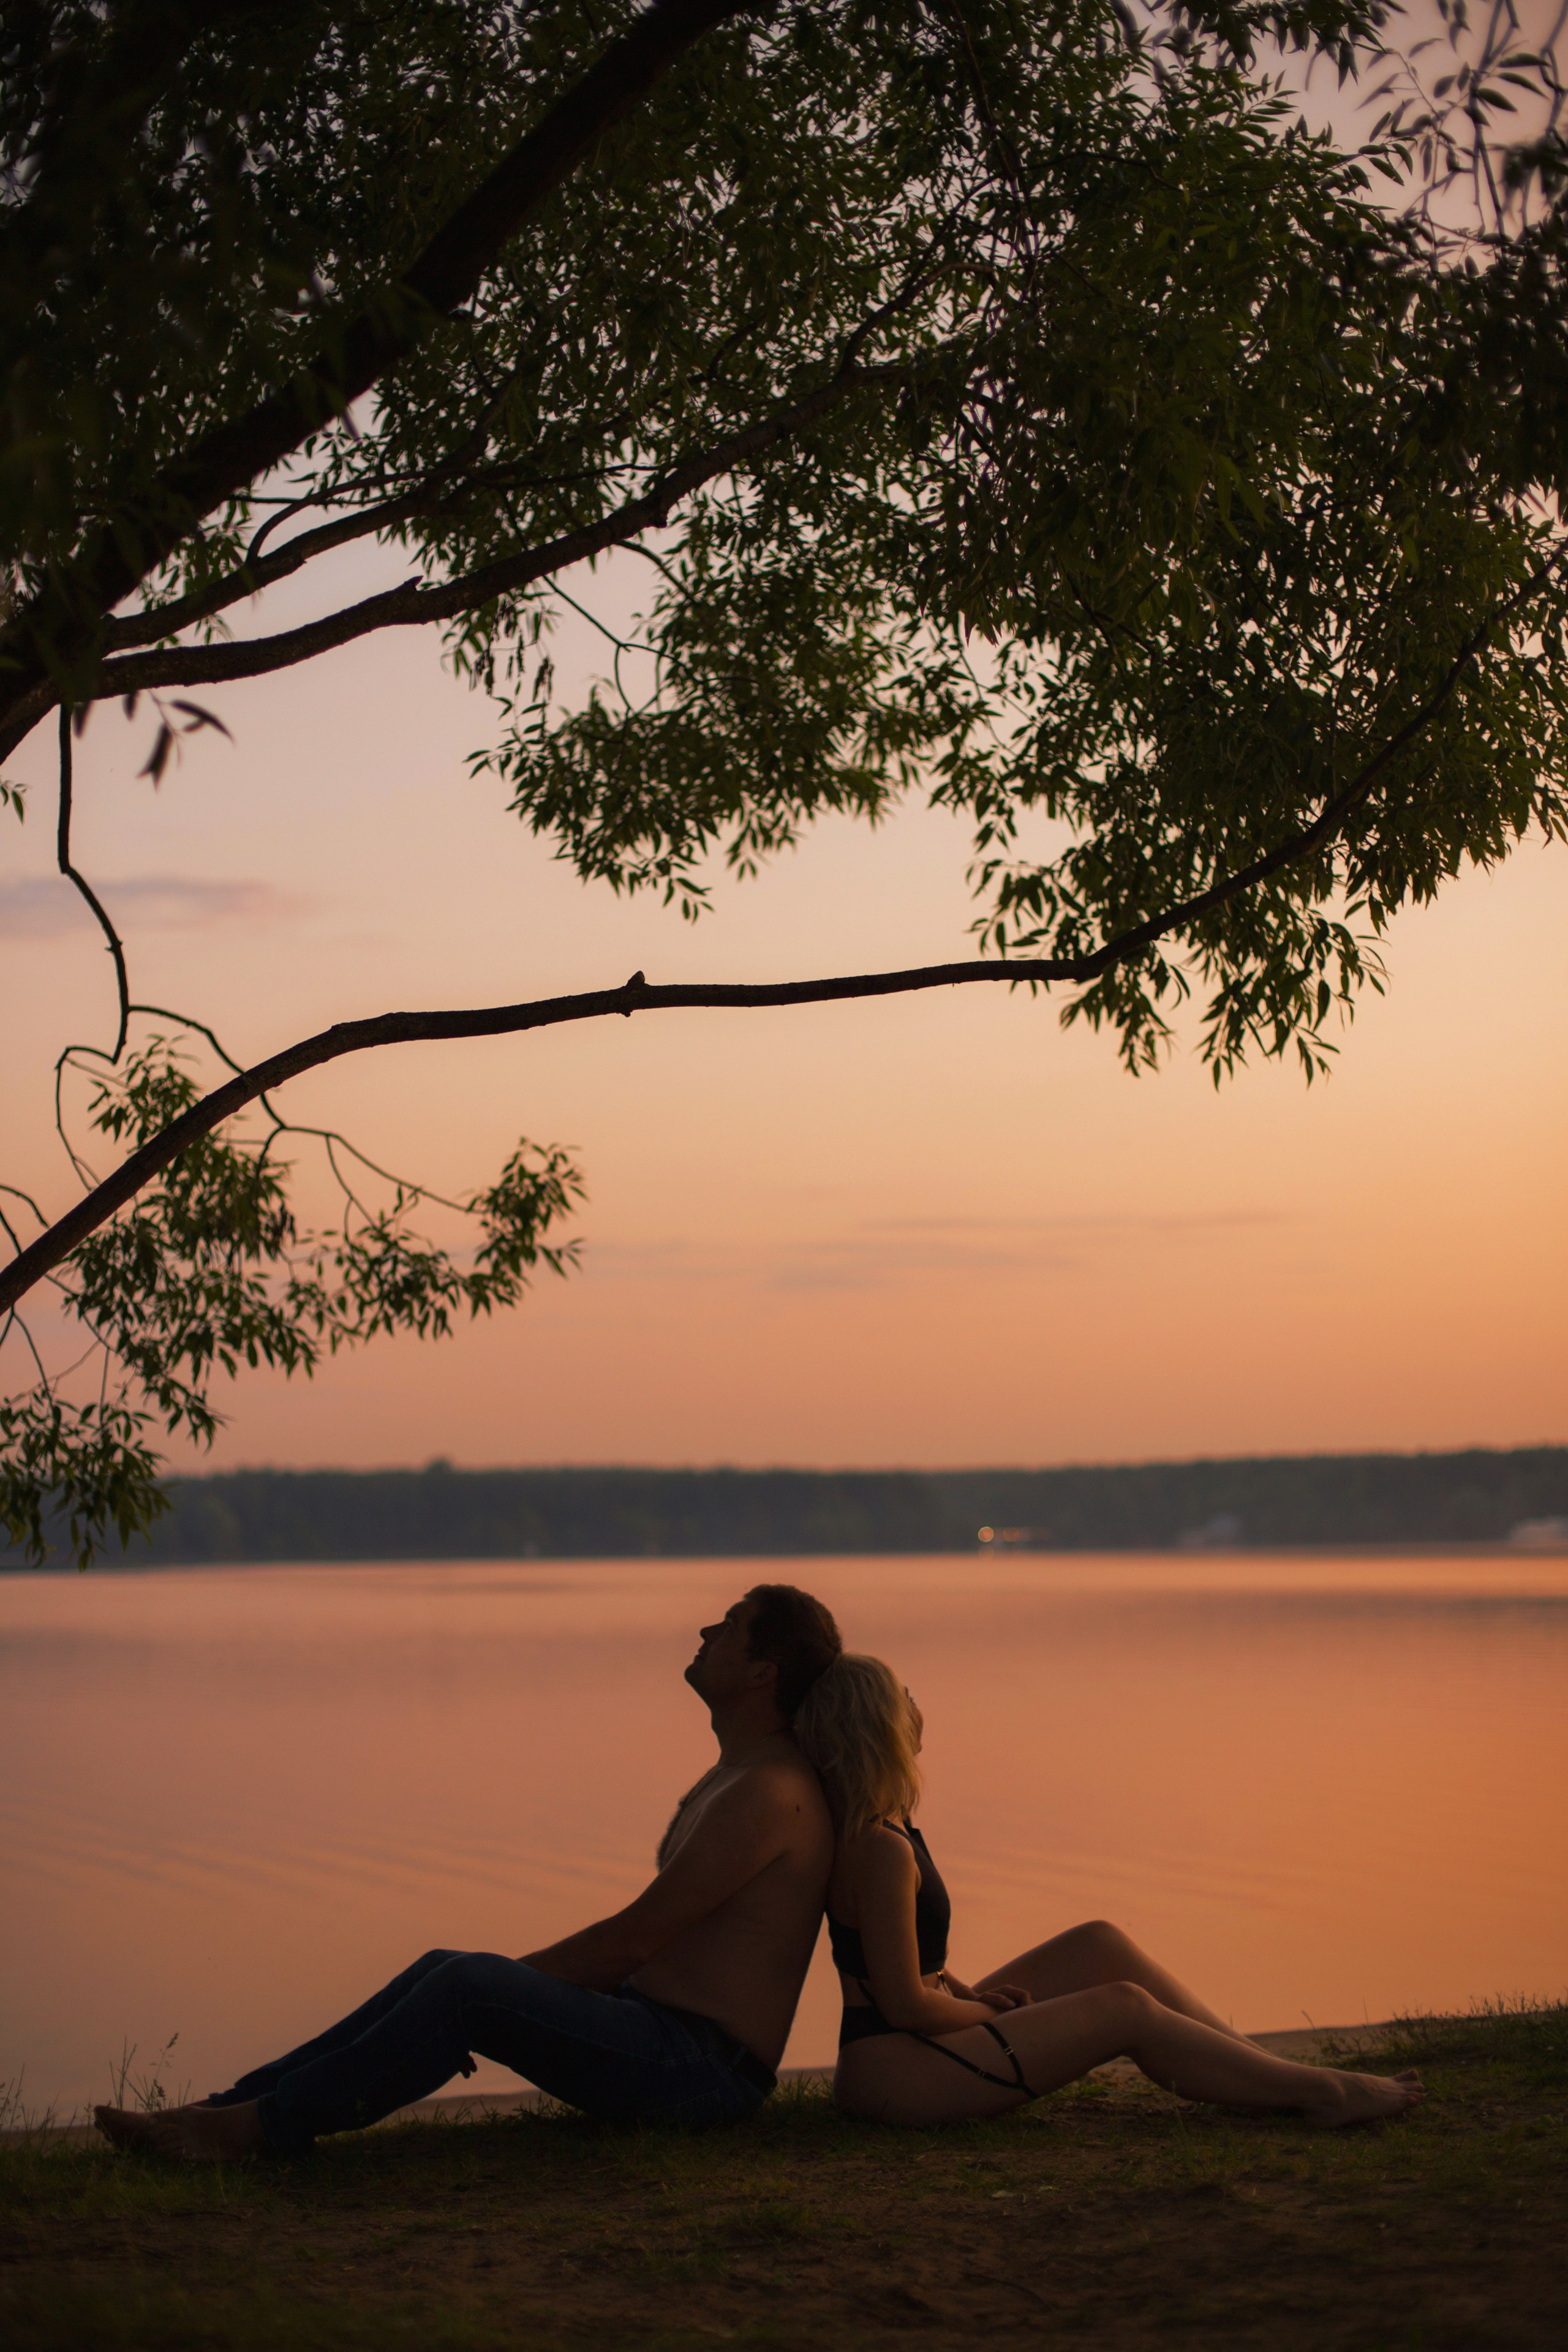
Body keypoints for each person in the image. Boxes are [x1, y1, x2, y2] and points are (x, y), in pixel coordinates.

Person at [95, 1585, 840, 2161]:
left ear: (762, 1671)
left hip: (703, 2074)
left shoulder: (769, 1793)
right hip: (659, 2035)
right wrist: (483, 1998)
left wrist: (491, 2001)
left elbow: (629, 1945)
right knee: (448, 1970)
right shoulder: (742, 1775)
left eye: (730, 1626)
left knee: (466, 1986)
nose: (707, 1631)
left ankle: (255, 2131)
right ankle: (223, 2111)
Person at [791, 1654, 1424, 2130]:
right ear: (882, 1726)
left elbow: (905, 1962)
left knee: (1100, 1943)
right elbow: (903, 2005)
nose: (918, 1705)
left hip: (914, 2051)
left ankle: (1275, 2077)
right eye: (906, 1697)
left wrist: (965, 1991)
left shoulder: (887, 1827)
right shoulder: (877, 1847)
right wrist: (993, 2014)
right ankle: (1323, 2095)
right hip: (900, 2079)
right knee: (1122, 2006)